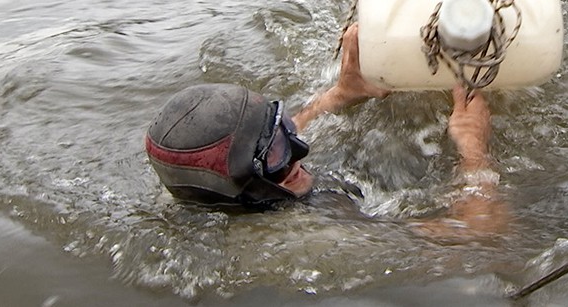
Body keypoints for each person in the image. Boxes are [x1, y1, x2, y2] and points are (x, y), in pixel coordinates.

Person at [145, 25, 502, 231]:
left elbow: (275, 143)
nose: (298, 149)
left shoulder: (242, 190)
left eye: (281, 127)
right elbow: (477, 239)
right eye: (276, 154)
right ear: (243, 187)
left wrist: (338, 95)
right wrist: (474, 152)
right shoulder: (301, 240)